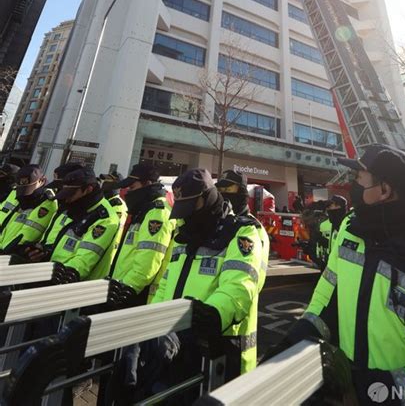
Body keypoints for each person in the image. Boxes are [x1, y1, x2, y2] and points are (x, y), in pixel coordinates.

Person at [265, 144, 405, 404]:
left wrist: (366, 392)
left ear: (384, 190)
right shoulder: (352, 231)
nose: (352, 187)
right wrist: (293, 343)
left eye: (358, 179)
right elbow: (327, 297)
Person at [109, 168, 262, 404]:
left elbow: (240, 285)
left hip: (214, 348)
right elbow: (165, 286)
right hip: (174, 347)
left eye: (190, 206)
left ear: (207, 197)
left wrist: (213, 312)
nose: (185, 214)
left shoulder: (241, 231)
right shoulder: (185, 231)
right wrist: (149, 329)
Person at [215, 169, 270, 370]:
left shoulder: (252, 230)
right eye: (220, 188)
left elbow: (252, 282)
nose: (223, 192)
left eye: (229, 188)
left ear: (242, 192)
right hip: (213, 326)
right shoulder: (220, 225)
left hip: (237, 334)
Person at [107, 164, 175, 306]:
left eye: (132, 187)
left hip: (132, 294)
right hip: (121, 287)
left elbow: (147, 263)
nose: (128, 192)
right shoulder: (143, 209)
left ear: (148, 184)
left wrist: (125, 289)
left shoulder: (157, 211)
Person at [49, 164, 121, 283]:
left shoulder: (105, 218)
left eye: (71, 194)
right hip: (57, 274)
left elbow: (84, 261)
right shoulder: (80, 208)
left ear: (89, 189)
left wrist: (61, 276)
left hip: (76, 286)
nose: (67, 199)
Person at [0, 165, 57, 253]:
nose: (22, 192)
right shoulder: (15, 191)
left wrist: (8, 250)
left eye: (26, 185)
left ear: (41, 181)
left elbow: (29, 233)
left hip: (10, 253)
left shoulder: (48, 202)